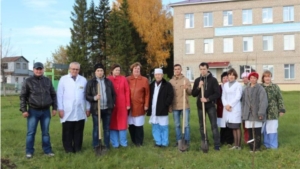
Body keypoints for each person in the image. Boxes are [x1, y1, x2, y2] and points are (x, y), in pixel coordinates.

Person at [20, 62, 56, 158]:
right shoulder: (28, 81)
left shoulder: (48, 81)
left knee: (45, 133)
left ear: (43, 69)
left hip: (46, 111)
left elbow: (53, 94)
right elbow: (23, 96)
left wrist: (54, 108)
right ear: (33, 69)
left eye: (40, 69)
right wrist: (24, 110)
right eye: (37, 69)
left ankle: (47, 150)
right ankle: (29, 151)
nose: (39, 70)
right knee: (31, 132)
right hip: (33, 111)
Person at [57, 62, 90, 153]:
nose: (75, 71)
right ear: (69, 69)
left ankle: (77, 148)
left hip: (80, 110)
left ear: (79, 70)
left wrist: (88, 108)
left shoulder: (83, 80)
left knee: (79, 130)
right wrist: (60, 108)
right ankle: (68, 149)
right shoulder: (63, 79)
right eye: (73, 69)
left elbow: (86, 95)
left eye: (77, 69)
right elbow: (59, 95)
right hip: (67, 109)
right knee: (67, 131)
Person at [85, 63, 116, 149]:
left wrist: (112, 103)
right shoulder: (91, 82)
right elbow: (87, 96)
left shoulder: (108, 82)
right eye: (98, 71)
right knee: (96, 128)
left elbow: (113, 94)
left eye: (101, 70)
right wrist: (95, 97)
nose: (100, 72)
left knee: (106, 128)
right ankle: (96, 145)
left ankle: (106, 145)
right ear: (95, 72)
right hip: (96, 109)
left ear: (103, 72)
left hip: (107, 109)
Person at [192, 62, 221, 151]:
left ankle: (217, 144)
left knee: (213, 125)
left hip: (210, 106)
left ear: (207, 69)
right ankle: (205, 142)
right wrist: (198, 87)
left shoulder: (213, 80)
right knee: (202, 125)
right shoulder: (197, 80)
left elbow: (217, 94)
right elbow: (193, 94)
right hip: (200, 106)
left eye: (204, 69)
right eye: (201, 69)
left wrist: (207, 99)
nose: (202, 71)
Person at [242, 72, 268, 152]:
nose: (253, 79)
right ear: (249, 79)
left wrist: (261, 113)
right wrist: (244, 113)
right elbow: (243, 102)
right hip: (248, 114)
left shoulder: (260, 89)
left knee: (257, 132)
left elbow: (263, 101)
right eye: (251, 78)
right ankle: (251, 147)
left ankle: (257, 147)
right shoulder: (246, 89)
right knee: (250, 131)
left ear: (257, 79)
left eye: (254, 78)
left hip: (256, 114)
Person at [147, 68, 174, 147]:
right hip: (154, 109)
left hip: (162, 108)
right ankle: (158, 141)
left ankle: (164, 142)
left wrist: (166, 104)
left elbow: (170, 95)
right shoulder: (152, 85)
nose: (158, 76)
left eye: (159, 74)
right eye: (156, 74)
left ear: (162, 75)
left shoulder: (167, 85)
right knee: (155, 126)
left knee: (163, 126)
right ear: (154, 75)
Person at [127, 62, 150, 147]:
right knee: (131, 124)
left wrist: (146, 104)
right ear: (132, 69)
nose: (136, 70)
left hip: (139, 105)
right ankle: (133, 140)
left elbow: (147, 94)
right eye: (135, 68)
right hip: (129, 106)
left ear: (140, 70)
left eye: (138, 69)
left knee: (139, 125)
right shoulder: (127, 79)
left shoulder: (144, 80)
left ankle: (139, 142)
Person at [107, 64, 130, 148]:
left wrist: (128, 104)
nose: (117, 71)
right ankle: (115, 143)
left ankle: (123, 142)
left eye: (119, 70)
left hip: (122, 104)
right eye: (116, 70)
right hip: (112, 104)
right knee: (113, 123)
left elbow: (127, 91)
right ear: (112, 70)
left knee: (122, 123)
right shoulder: (108, 79)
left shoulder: (123, 79)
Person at [261, 70, 285, 149]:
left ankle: (273, 145)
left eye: (269, 76)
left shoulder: (275, 87)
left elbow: (280, 98)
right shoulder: (260, 87)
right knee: (265, 129)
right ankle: (266, 144)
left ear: (271, 77)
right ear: (263, 78)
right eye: (266, 76)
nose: (267, 78)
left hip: (273, 112)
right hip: (263, 112)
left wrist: (281, 109)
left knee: (272, 129)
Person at [169, 64, 192, 147]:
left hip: (184, 105)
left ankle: (186, 141)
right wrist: (170, 106)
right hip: (175, 106)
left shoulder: (186, 80)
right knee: (177, 125)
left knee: (186, 125)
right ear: (174, 70)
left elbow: (190, 93)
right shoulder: (171, 81)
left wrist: (187, 88)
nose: (177, 70)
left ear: (181, 70)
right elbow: (169, 95)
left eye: (178, 69)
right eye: (175, 69)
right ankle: (179, 140)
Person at [222, 68, 243, 150]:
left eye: (233, 75)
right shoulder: (225, 85)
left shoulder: (238, 85)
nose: (231, 76)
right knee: (232, 128)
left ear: (235, 76)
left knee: (237, 127)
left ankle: (239, 145)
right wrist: (226, 105)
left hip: (235, 108)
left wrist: (230, 105)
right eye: (230, 75)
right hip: (227, 108)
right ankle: (235, 144)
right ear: (228, 76)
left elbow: (238, 96)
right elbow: (223, 96)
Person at [216, 72, 233, 146]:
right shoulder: (219, 87)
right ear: (222, 79)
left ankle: (229, 141)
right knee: (223, 126)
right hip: (221, 109)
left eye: (227, 78)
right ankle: (222, 140)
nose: (225, 79)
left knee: (229, 125)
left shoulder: (232, 87)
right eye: (224, 78)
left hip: (229, 108)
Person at [241, 72, 250, 143]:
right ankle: (246, 140)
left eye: (246, 77)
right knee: (245, 126)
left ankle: (252, 139)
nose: (245, 79)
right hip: (243, 109)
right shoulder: (242, 88)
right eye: (243, 78)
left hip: (251, 109)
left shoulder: (253, 86)